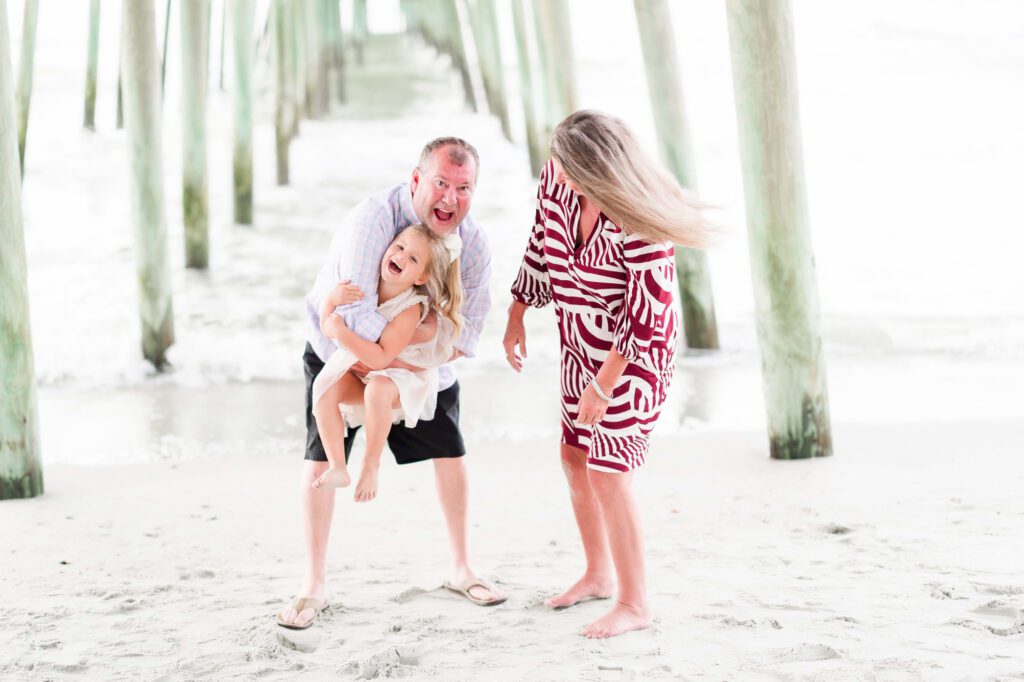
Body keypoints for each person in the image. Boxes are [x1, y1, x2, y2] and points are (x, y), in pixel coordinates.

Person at [277, 138, 503, 631]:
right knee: (320, 457)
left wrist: (411, 356)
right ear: (417, 179)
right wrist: (404, 345)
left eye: (463, 188)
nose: (450, 198)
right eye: (441, 183)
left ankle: (462, 567)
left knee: (451, 451)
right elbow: (353, 313)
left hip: (420, 368)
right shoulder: (373, 220)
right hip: (337, 351)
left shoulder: (475, 243)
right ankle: (313, 582)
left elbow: (467, 334)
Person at [503, 110, 711, 639]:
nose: (556, 173)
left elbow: (648, 313)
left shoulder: (638, 214)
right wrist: (518, 311)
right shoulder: (558, 177)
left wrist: (604, 384)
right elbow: (540, 237)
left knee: (608, 472)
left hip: (636, 358)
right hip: (579, 343)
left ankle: (635, 603)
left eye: (568, 166)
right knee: (573, 457)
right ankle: (597, 574)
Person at [310, 223, 464, 503]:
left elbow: (381, 357)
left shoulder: (410, 308)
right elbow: (327, 327)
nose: (401, 256)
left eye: (414, 259)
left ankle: (371, 465)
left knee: (378, 389)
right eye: (400, 247)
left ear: (421, 278)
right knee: (324, 388)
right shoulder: (363, 284)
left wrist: (342, 332)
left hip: (399, 378)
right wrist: (331, 300)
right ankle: (338, 466)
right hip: (364, 369)